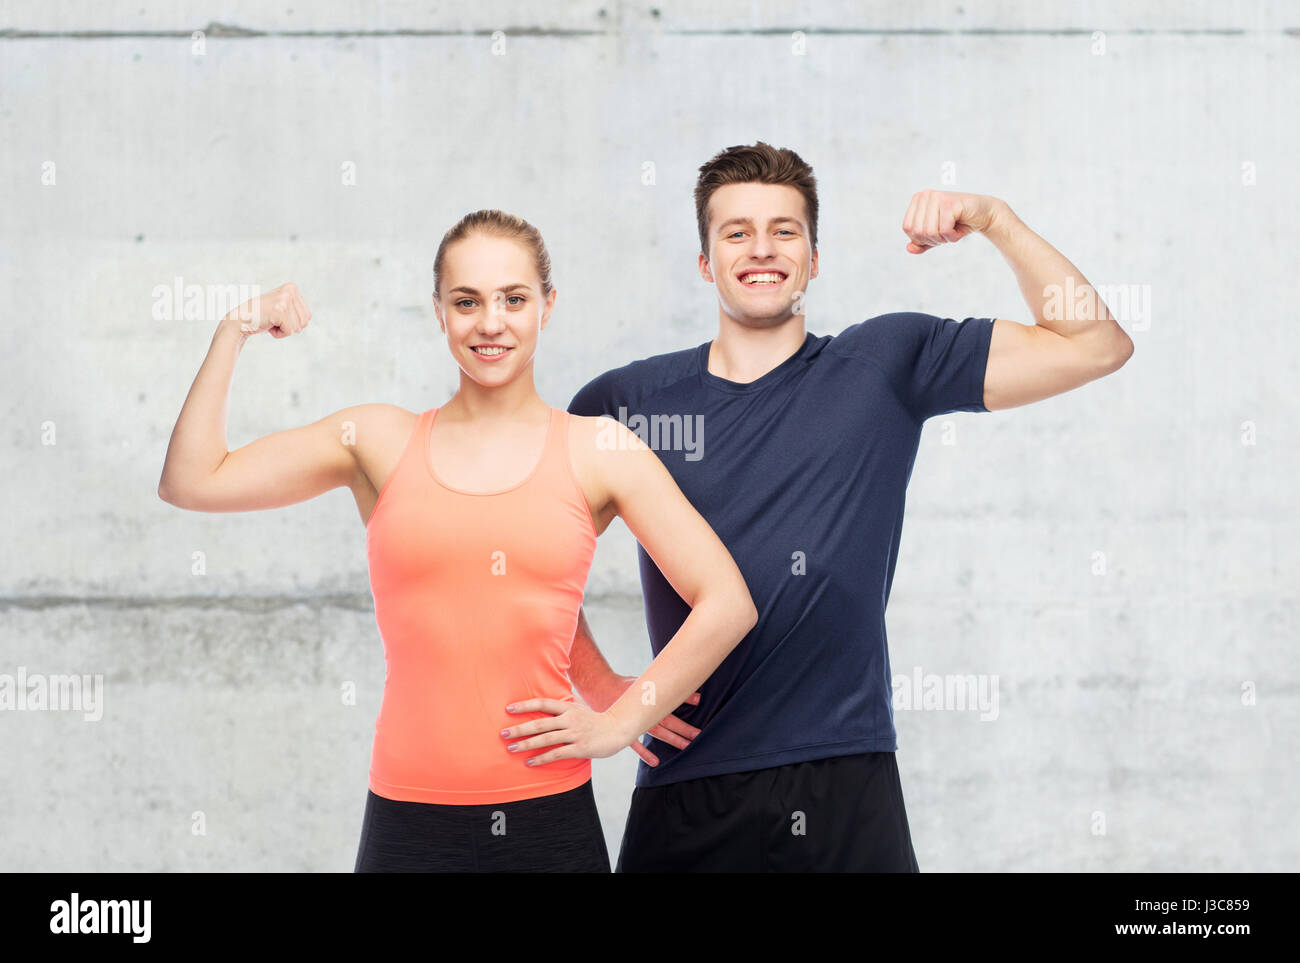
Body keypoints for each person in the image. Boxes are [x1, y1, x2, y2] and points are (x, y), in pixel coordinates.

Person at [555, 142, 1135, 872]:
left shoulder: (886, 363)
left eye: (785, 230)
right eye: (736, 232)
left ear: (815, 257)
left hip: (845, 781)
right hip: (686, 786)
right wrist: (603, 684)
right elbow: (534, 559)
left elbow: (1097, 344)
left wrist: (996, 220)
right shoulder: (627, 402)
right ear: (705, 262)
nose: (761, 248)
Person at [156, 209, 757, 872]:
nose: (490, 322)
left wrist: (618, 718)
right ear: (439, 311)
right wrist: (233, 328)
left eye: (514, 299)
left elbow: (727, 601)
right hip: (406, 824)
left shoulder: (599, 450)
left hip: (549, 823)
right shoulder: (376, 442)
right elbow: (192, 479)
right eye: (467, 301)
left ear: (547, 307)